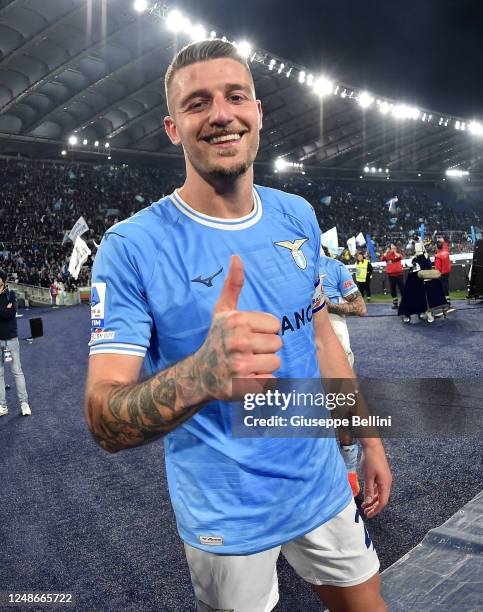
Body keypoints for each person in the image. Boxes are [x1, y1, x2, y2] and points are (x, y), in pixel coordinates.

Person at [84, 40, 391, 612]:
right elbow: (103, 417)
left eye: (235, 97)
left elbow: (321, 338)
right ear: (173, 128)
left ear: (257, 114)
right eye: (198, 103)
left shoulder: (296, 213)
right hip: (226, 512)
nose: (221, 114)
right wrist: (202, 373)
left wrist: (368, 437)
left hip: (320, 482)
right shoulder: (130, 248)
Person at [320, 247, 367, 498]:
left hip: (335, 347)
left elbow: (360, 306)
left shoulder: (333, 267)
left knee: (343, 410)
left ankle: (350, 472)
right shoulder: (285, 265)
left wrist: (327, 305)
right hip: (300, 346)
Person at [0, 270, 31, 417]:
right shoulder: (8, 298)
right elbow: (5, 313)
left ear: (2, 280)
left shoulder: (11, 294)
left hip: (11, 338)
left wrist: (5, 311)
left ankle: (24, 403)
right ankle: (2, 405)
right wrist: (4, 309)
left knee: (17, 371)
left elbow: (9, 315)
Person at [380, 244, 404, 309]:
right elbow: (382, 258)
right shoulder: (387, 255)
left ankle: (404, 302)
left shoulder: (397, 253)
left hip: (399, 275)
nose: (394, 249)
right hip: (391, 276)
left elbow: (400, 257)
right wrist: (387, 251)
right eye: (392, 248)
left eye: (394, 248)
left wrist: (395, 252)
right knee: (393, 289)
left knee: (402, 288)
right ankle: (395, 302)